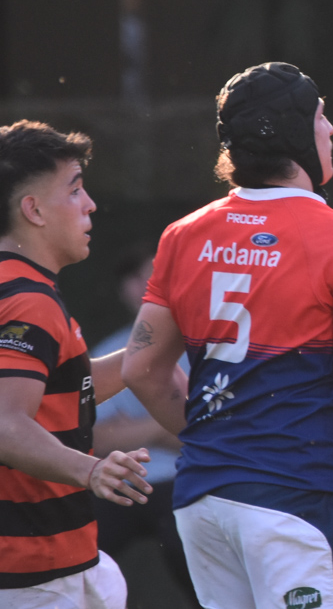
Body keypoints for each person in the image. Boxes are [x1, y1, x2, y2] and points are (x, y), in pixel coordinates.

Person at [122, 62, 333, 609]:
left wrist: (218, 438)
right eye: (320, 116)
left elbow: (140, 369)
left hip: (202, 501)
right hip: (296, 497)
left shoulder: (183, 234)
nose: (331, 130)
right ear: (293, 134)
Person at [0, 120, 152, 607]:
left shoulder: (17, 286)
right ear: (33, 210)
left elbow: (64, 391)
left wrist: (157, 344)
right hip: (34, 569)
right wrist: (91, 470)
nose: (89, 205)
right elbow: (6, 423)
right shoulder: (29, 302)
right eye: (76, 190)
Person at [90, 250, 197, 605]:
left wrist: (136, 428)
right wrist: (163, 426)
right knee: (80, 552)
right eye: (140, 277)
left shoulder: (207, 346)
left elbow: (209, 436)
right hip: (123, 483)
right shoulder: (106, 353)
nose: (148, 286)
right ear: (125, 289)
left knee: (192, 553)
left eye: (158, 274)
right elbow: (94, 438)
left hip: (186, 483)